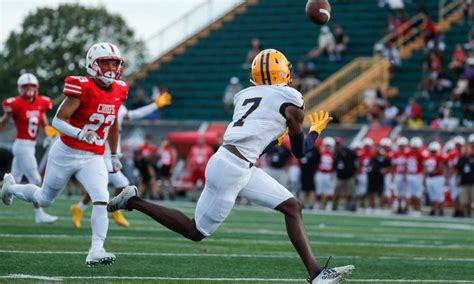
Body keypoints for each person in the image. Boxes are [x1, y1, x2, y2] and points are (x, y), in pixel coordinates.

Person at [108, 49, 355, 283]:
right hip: (233, 168)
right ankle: (133, 201)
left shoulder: (245, 95)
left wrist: (278, 137)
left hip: (234, 162)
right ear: (284, 72)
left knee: (292, 206)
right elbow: (301, 151)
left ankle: (316, 274)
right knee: (196, 232)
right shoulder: (292, 98)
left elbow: (257, 140)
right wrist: (315, 132)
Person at [1, 42, 128, 266]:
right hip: (66, 152)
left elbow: (114, 125)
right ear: (93, 64)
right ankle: (10, 187)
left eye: (115, 63)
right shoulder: (83, 87)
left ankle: (96, 250)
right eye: (105, 62)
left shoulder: (119, 89)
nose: (111, 67)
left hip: (93, 155)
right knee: (44, 198)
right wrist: (80, 134)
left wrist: (115, 155)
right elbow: (57, 121)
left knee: (102, 197)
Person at [70, 92, 172, 228]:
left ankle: (87, 208)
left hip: (111, 155)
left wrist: (155, 105)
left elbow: (134, 115)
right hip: (98, 154)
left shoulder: (119, 107)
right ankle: (93, 215)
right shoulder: (97, 105)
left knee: (122, 184)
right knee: (103, 186)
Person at [0, 73, 59, 224]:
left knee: (14, 178)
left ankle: (38, 213)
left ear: (37, 87)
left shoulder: (42, 102)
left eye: (32, 85)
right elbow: (4, 122)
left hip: (30, 146)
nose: (29, 89)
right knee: (36, 179)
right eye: (26, 86)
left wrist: (48, 134)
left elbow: (44, 123)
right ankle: (39, 214)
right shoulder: (15, 103)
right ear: (20, 88)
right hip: (22, 145)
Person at [333, 137, 358, 211]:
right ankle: (335, 206)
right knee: (336, 192)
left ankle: (351, 206)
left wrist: (355, 171)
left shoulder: (348, 151)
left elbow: (356, 159)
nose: (337, 145)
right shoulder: (335, 153)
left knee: (351, 193)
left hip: (349, 175)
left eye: (338, 144)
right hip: (340, 176)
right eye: (336, 144)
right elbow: (334, 164)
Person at [366, 144, 392, 214]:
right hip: (372, 177)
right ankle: (371, 207)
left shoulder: (384, 158)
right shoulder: (372, 158)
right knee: (371, 192)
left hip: (380, 178)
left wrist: (384, 170)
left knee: (381, 193)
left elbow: (390, 166)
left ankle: (381, 207)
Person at [187, 135, 214, 201]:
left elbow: (212, 158)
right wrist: (188, 167)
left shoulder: (208, 148)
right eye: (199, 140)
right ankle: (194, 197)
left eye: (201, 140)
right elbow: (189, 158)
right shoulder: (193, 148)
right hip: (195, 168)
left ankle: (203, 197)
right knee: (194, 184)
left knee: (205, 184)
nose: (200, 141)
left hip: (203, 169)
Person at [424, 141, 446, 216]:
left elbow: (441, 167)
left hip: (438, 177)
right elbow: (425, 168)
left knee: (438, 195)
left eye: (434, 151)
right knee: (432, 195)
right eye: (432, 151)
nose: (433, 153)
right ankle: (434, 209)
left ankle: (439, 210)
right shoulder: (427, 157)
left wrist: (433, 172)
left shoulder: (440, 157)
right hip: (430, 178)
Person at [406, 137, 426, 216]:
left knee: (418, 193)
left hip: (418, 175)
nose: (414, 148)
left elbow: (424, 166)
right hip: (410, 175)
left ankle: (418, 209)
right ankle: (412, 208)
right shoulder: (408, 153)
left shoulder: (421, 155)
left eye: (416, 147)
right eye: (413, 147)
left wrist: (423, 176)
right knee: (411, 193)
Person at [315, 137, 336, 211]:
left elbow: (335, 165)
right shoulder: (319, 153)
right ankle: (317, 205)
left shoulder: (334, 155)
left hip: (329, 174)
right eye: (326, 146)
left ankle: (329, 205)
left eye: (329, 146)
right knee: (319, 190)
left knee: (329, 191)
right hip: (320, 173)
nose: (327, 147)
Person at [456, 135, 474, 217]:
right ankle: (467, 214)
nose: (467, 150)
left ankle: (470, 213)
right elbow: (458, 170)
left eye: (468, 149)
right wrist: (458, 179)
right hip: (463, 182)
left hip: (472, 182)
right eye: (465, 149)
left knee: (472, 200)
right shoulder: (461, 159)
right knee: (465, 201)